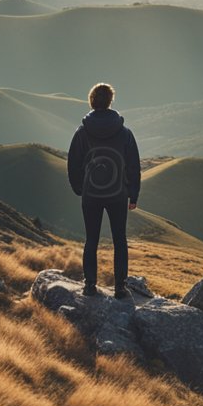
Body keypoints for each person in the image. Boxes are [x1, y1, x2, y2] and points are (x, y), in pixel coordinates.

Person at [67, 82, 141, 299]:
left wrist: (80, 188)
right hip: (118, 194)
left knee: (91, 239)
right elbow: (134, 165)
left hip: (91, 194)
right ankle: (120, 287)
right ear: (110, 101)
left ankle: (90, 285)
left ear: (91, 101)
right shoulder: (124, 132)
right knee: (120, 239)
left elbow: (73, 163)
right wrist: (133, 194)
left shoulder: (82, 132)